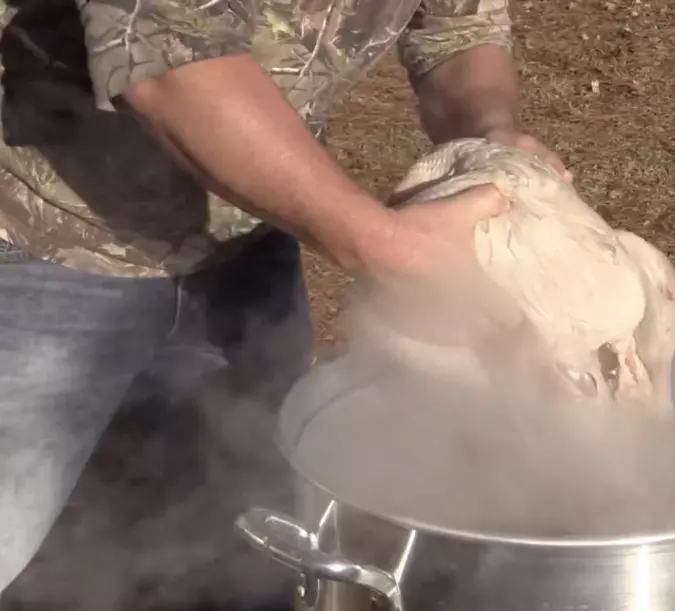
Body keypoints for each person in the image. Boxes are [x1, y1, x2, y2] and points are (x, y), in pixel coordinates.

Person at [0, 0, 570, 604]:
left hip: (249, 241)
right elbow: (166, 56)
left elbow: (457, 25)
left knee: (217, 536)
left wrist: (489, 130)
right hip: (38, 247)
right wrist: (383, 244)